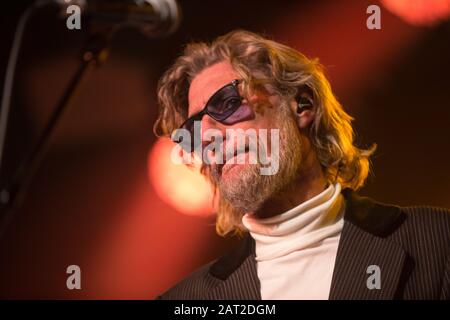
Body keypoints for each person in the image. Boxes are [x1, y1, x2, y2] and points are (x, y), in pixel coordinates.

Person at [154, 30, 450, 300]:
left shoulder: (439, 243)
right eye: (193, 130)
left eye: (227, 102)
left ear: (302, 105)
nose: (206, 136)